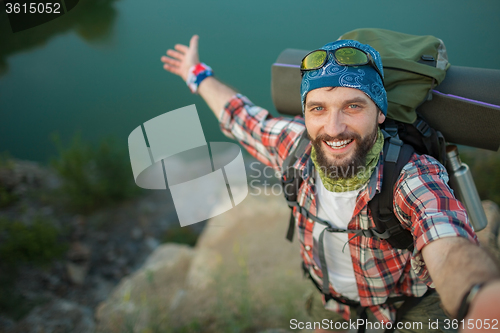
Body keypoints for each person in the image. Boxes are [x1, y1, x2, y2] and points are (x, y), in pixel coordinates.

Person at [161, 35, 500, 332]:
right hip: (328, 302)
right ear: (304, 114)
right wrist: (197, 73)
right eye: (318, 108)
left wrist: (477, 297)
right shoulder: (294, 146)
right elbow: (240, 116)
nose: (334, 128)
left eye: (353, 106)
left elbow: (445, 239)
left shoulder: (412, 174)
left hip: (406, 308)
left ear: (380, 112)